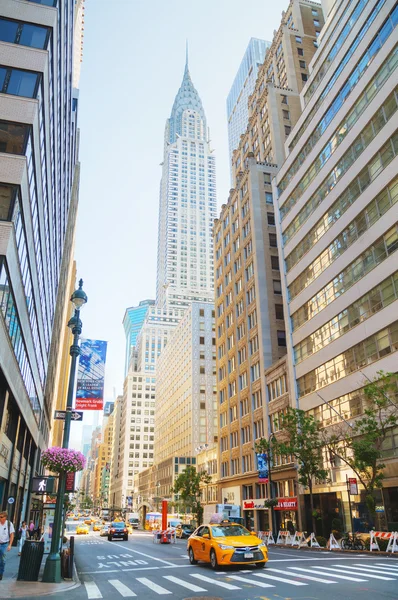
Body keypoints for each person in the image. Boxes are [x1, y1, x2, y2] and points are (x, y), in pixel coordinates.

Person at [0, 511, 14, 580]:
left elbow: (12, 535)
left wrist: (10, 545)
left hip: (4, 545)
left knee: (2, 560)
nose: (0, 518)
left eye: (1, 517)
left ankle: (1, 573)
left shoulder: (9, 524)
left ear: (5, 518)